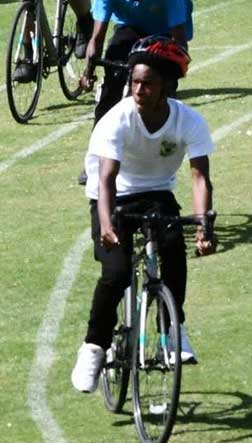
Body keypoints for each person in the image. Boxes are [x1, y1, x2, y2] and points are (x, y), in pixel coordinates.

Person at [71, 36, 215, 393]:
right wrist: (106, 224)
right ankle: (93, 348)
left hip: (157, 192)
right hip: (114, 196)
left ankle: (172, 331)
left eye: (147, 83)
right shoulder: (116, 121)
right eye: (134, 82)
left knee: (173, 251)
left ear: (167, 85)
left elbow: (200, 177)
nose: (138, 89)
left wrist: (203, 225)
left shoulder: (188, 121)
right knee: (116, 272)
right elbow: (105, 179)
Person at [80, 0, 194, 126]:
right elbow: (97, 38)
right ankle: (101, 135)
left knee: (164, 86)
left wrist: (173, 73)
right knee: (113, 73)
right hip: (129, 26)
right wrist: (88, 72)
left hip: (164, 30)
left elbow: (179, 40)